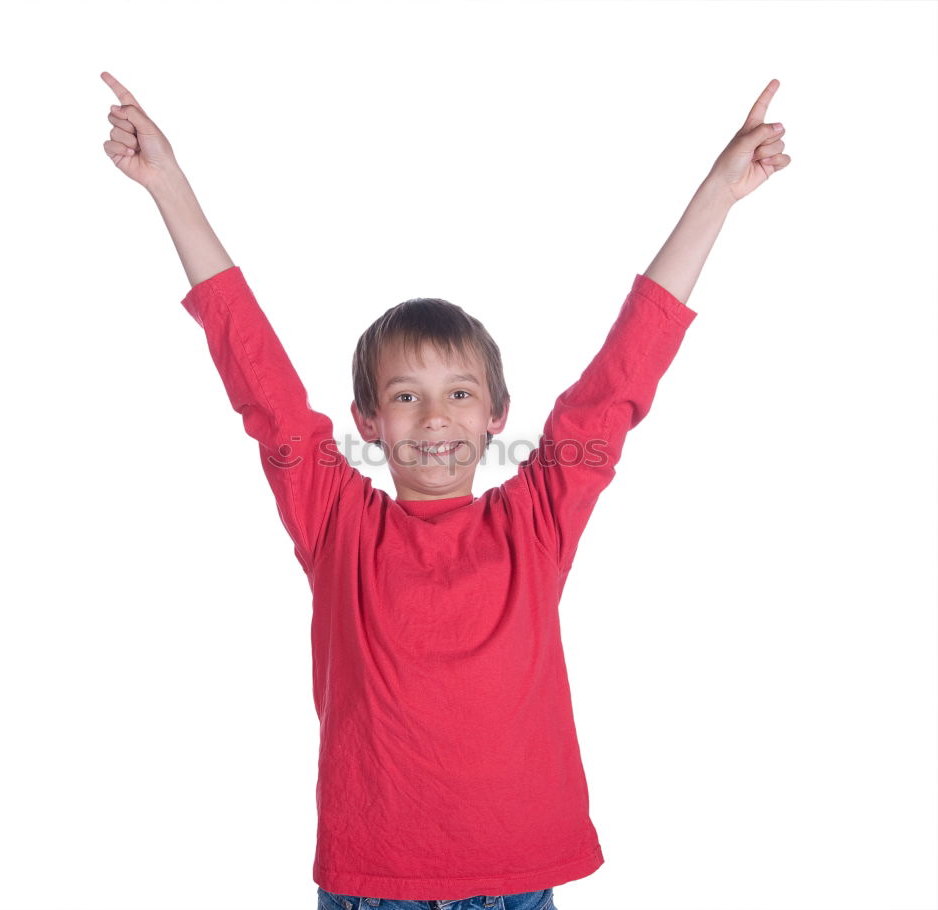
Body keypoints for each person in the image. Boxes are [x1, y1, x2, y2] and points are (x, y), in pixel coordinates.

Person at [100, 71, 789, 910]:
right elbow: (262, 384)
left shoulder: (536, 520)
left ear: (499, 413)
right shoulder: (337, 525)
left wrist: (718, 193)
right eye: (404, 395)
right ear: (369, 418)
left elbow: (622, 376)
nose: (433, 417)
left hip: (515, 882)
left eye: (459, 393)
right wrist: (168, 184)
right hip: (370, 887)